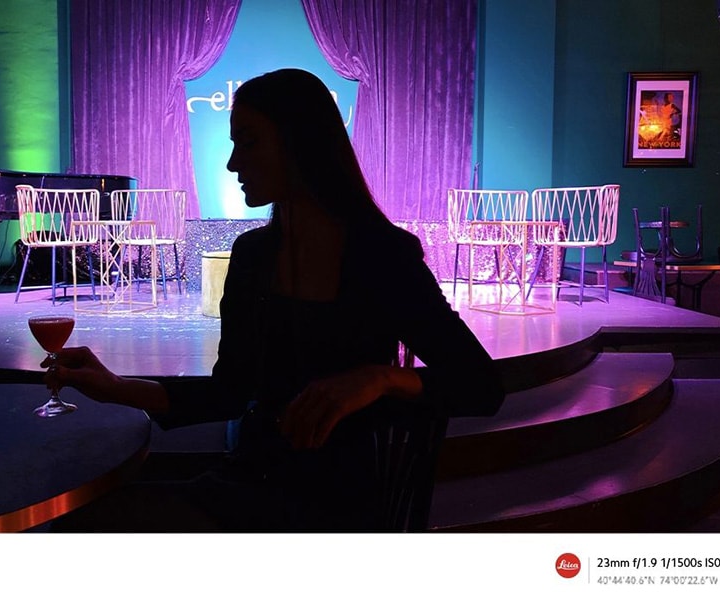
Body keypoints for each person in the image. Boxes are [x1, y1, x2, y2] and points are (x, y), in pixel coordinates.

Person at [46, 68, 505, 532]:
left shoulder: (382, 255)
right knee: (79, 525)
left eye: (248, 143)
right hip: (249, 483)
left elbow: (481, 385)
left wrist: (380, 379)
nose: (232, 164)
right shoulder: (252, 256)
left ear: (301, 143)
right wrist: (114, 386)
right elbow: (229, 392)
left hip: (338, 505)